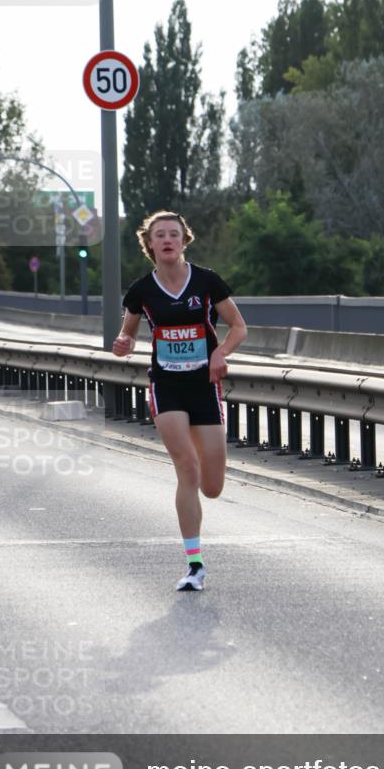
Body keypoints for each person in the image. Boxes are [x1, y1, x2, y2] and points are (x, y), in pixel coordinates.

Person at [112, 210, 247, 591]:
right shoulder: (141, 291)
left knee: (213, 486)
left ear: (184, 240)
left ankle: (207, 492)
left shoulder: (206, 282)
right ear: (150, 244)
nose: (168, 240)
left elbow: (239, 327)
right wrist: (123, 345)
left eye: (174, 234)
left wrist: (221, 353)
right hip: (166, 386)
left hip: (204, 385)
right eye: (160, 235)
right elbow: (127, 337)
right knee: (186, 468)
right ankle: (194, 565)